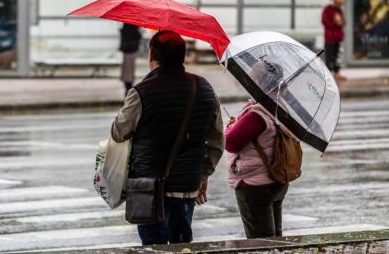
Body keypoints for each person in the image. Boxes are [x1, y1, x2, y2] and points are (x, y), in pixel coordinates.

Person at [111, 30, 224, 245]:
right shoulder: (204, 88)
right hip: (187, 186)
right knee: (182, 244)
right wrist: (203, 174)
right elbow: (217, 142)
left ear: (152, 55)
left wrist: (141, 88)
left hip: (148, 186)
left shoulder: (142, 91)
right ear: (183, 56)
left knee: (154, 246)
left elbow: (119, 132)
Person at [224, 58, 289, 239]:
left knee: (261, 241)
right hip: (277, 179)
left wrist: (230, 127)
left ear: (260, 82)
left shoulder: (257, 114)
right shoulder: (281, 106)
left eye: (252, 79)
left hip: (255, 184)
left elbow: (231, 143)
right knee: (275, 238)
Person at [321, 0, 346, 81]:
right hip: (330, 37)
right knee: (329, 55)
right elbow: (325, 22)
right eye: (339, 3)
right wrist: (335, 23)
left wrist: (341, 23)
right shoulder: (327, 10)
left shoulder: (339, 11)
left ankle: (336, 72)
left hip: (338, 37)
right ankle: (328, 73)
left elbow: (343, 22)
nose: (340, 5)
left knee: (337, 55)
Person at [119, 23, 142, 96]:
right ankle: (128, 86)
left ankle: (127, 86)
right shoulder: (132, 24)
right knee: (130, 69)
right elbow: (137, 36)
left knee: (126, 69)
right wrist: (140, 32)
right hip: (131, 49)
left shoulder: (126, 24)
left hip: (127, 49)